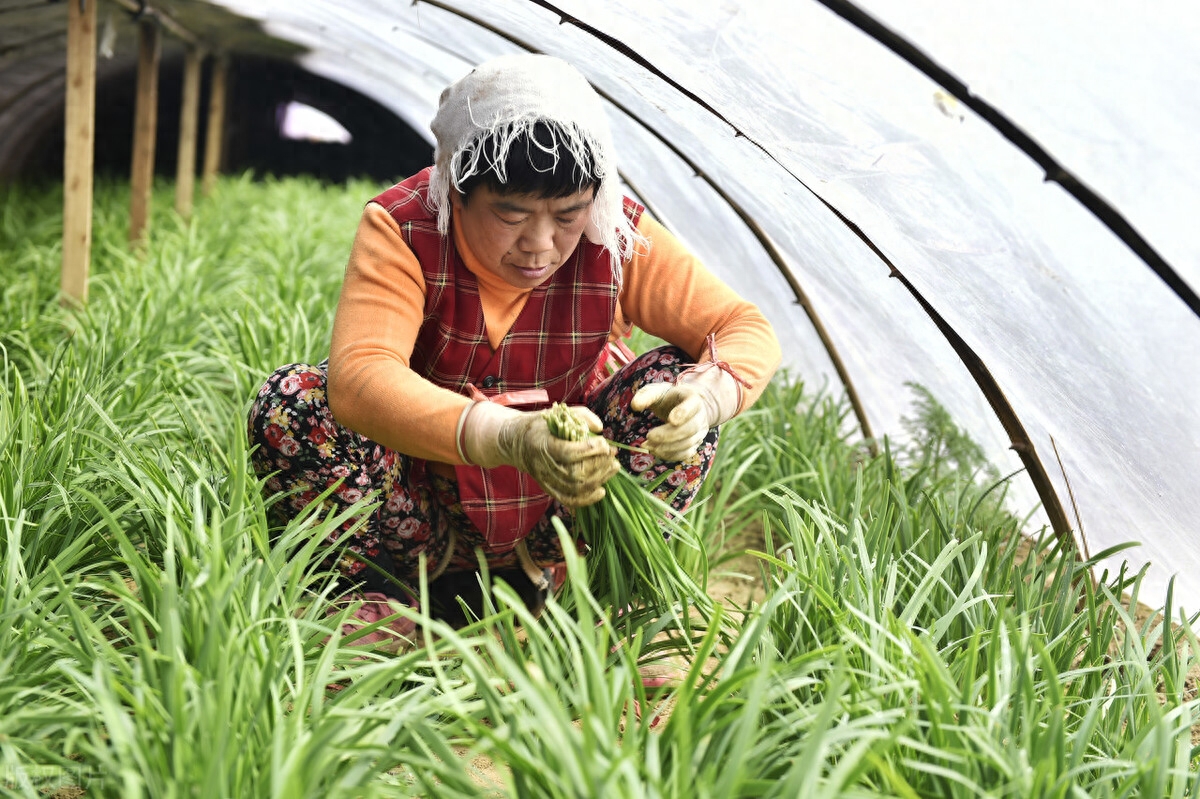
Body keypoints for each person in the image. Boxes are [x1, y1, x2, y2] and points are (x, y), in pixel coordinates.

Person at [247, 53, 781, 647]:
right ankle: (373, 601)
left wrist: (710, 396)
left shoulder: (614, 236)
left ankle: (602, 600)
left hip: (559, 515)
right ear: (456, 188)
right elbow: (361, 377)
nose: (541, 244)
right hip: (422, 517)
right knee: (297, 405)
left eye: (568, 214)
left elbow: (741, 325)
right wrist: (509, 437)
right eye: (511, 213)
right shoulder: (406, 228)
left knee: (676, 382)